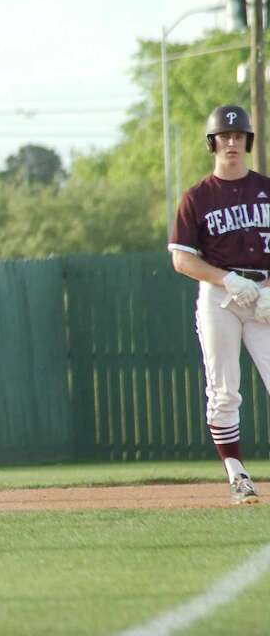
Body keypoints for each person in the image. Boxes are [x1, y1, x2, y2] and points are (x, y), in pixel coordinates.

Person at [169, 104, 270, 505]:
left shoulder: (267, 188)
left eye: (238, 136)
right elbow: (181, 258)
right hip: (220, 297)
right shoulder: (197, 197)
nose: (232, 142)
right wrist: (225, 278)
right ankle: (237, 474)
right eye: (224, 136)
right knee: (224, 390)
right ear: (212, 143)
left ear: (248, 141)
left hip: (263, 293)